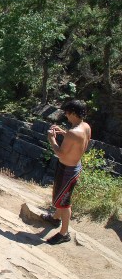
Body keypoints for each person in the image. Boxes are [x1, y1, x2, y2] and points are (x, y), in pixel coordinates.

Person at [43, 100, 91, 245]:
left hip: (66, 170)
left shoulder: (72, 133)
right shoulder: (85, 126)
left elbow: (61, 154)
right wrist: (64, 133)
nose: (65, 115)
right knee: (61, 197)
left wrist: (52, 139)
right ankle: (55, 218)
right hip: (75, 166)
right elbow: (79, 142)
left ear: (74, 113)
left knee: (64, 202)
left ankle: (64, 233)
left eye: (67, 112)